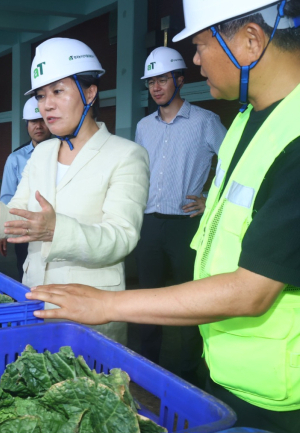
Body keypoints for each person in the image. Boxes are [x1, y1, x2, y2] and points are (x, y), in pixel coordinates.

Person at [26, 1, 300, 431]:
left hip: (282, 393)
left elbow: (252, 291)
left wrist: (108, 303)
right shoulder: (250, 119)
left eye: (201, 45)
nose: (194, 60)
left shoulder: (295, 136)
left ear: (251, 40)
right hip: (232, 369)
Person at [0, 38, 150, 344]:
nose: (47, 105)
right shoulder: (41, 153)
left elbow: (121, 237)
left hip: (90, 311)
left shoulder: (126, 155)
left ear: (90, 92)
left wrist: (56, 230)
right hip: (35, 298)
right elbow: (20, 215)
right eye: (42, 96)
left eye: (58, 91)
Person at [133, 46, 227, 387]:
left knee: (191, 300)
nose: (156, 86)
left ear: (180, 80)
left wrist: (209, 200)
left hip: (186, 226)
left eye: (163, 79)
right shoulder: (144, 127)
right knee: (146, 298)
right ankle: (146, 367)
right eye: (151, 81)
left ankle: (188, 374)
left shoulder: (205, 121)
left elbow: (231, 163)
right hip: (150, 225)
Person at [0, 96, 52, 282]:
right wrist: (3, 229)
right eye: (33, 122)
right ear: (26, 124)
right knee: (27, 274)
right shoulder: (16, 158)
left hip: (55, 226)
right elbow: (7, 196)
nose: (38, 126)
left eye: (42, 120)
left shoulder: (65, 151)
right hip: (25, 229)